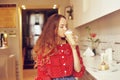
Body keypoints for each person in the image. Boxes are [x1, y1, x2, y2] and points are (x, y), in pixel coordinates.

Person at [33, 13, 85, 80]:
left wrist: (74, 48)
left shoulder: (71, 44)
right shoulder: (45, 47)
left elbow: (78, 70)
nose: (65, 29)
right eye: (62, 26)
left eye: (66, 26)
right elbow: (42, 74)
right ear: (53, 28)